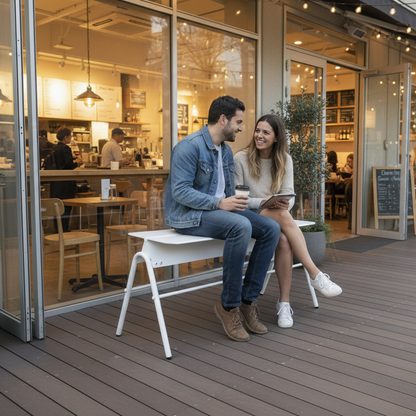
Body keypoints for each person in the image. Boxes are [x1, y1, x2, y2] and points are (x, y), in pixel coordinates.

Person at [165, 96, 281, 342]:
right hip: (190, 215)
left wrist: (247, 203)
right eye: (238, 122)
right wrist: (219, 203)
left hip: (220, 213)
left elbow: (228, 195)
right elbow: (180, 191)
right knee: (241, 225)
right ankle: (229, 306)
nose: (241, 128)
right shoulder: (189, 147)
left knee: (271, 227)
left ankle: (248, 301)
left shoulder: (226, 151)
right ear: (222, 119)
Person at [234, 114, 342, 328]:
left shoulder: (285, 159)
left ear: (276, 137)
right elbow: (239, 200)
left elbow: (289, 197)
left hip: (275, 217)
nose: (259, 135)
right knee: (282, 217)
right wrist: (264, 202)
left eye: (266, 132)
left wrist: (280, 204)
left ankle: (284, 303)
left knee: (283, 240)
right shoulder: (241, 158)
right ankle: (314, 273)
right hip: (249, 216)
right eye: (258, 130)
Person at [50, 127, 83, 232]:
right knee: (66, 206)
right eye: (70, 136)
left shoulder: (54, 148)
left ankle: (57, 229)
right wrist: (78, 162)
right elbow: (69, 165)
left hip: (55, 182)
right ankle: (64, 229)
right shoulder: (66, 149)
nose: (71, 138)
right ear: (66, 137)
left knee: (57, 206)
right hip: (65, 182)